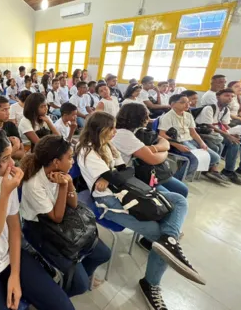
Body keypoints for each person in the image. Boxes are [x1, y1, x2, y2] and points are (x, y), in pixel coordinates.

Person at [76, 112, 205, 310]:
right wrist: (113, 176)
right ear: (99, 129)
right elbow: (119, 175)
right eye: (111, 128)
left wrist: (112, 176)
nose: (115, 131)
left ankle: (170, 241)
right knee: (158, 234)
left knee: (178, 200)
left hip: (129, 190)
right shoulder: (86, 150)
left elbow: (127, 172)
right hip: (108, 202)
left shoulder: (107, 145)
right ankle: (151, 283)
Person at [0, 129, 74, 310]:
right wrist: (5, 193)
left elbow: (14, 229)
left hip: (9, 256)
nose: (11, 164)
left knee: (63, 306)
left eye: (11, 156)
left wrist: (15, 275)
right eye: (4, 159)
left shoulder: (6, 178)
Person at [20, 135, 111, 297]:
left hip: (58, 221)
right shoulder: (34, 183)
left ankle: (84, 272)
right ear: (56, 162)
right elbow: (56, 218)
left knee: (103, 254)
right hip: (39, 229)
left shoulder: (59, 172)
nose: (73, 161)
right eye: (69, 158)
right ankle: (60, 296)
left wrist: (68, 183)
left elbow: (74, 204)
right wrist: (63, 187)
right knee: (80, 285)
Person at [113, 104, 189, 197]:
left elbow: (163, 140)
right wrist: (164, 152)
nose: (149, 119)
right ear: (137, 118)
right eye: (146, 116)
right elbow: (153, 159)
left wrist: (153, 149)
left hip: (144, 169)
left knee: (182, 189)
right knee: (176, 198)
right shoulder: (124, 135)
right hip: (129, 174)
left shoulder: (136, 130)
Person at [158, 94, 224, 182]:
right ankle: (174, 180)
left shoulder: (188, 115)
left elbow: (193, 132)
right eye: (183, 102)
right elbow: (162, 134)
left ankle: (187, 174)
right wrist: (178, 145)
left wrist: (201, 143)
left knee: (215, 158)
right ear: (172, 104)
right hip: (178, 142)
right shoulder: (167, 117)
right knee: (195, 159)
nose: (187, 105)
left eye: (188, 102)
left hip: (190, 141)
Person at [195, 88, 241, 184]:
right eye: (226, 96)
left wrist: (234, 132)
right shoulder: (209, 108)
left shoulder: (225, 109)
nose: (229, 98)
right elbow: (209, 125)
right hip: (209, 132)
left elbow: (225, 124)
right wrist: (228, 135)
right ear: (218, 97)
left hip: (221, 132)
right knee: (234, 144)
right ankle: (228, 171)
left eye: (232, 97)